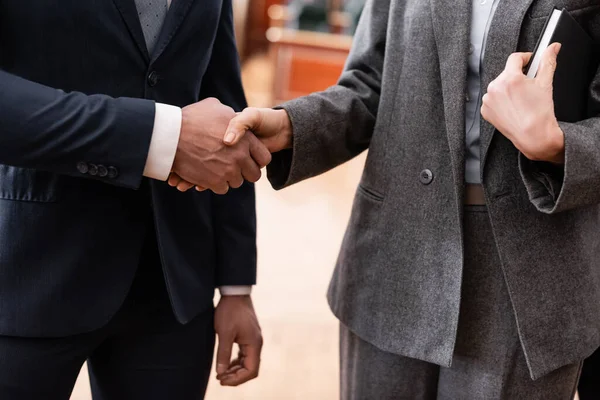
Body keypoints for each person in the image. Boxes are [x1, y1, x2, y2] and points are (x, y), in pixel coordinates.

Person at [210, 0, 600, 397]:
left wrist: (559, 146)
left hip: (533, 275)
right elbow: (368, 86)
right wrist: (294, 126)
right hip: (395, 253)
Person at [0, 0, 269, 398]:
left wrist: (236, 286)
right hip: (26, 268)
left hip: (173, 285)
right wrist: (159, 136)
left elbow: (224, 105)